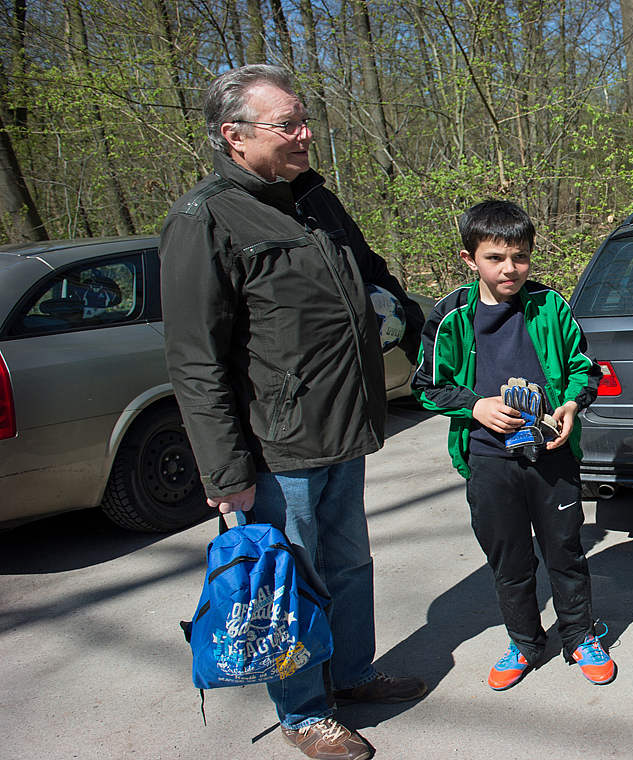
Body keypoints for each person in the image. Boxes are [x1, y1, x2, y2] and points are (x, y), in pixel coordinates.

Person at [160, 64, 427, 760]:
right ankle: (305, 712)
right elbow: (196, 360)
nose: (307, 134)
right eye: (289, 124)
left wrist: (403, 315)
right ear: (235, 136)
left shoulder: (315, 200)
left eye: (305, 119)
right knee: (288, 586)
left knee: (349, 566)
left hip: (344, 427)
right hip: (279, 444)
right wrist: (224, 471)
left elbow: (372, 275)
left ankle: (354, 674)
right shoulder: (204, 220)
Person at [410, 200, 616, 691]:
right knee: (510, 559)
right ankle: (524, 641)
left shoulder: (552, 305)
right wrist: (476, 406)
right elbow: (426, 384)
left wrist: (568, 405)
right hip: (487, 459)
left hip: (552, 454)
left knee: (565, 551)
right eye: (495, 258)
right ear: (469, 259)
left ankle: (580, 636)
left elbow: (584, 369)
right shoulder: (450, 315)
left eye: (520, 257)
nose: (510, 269)